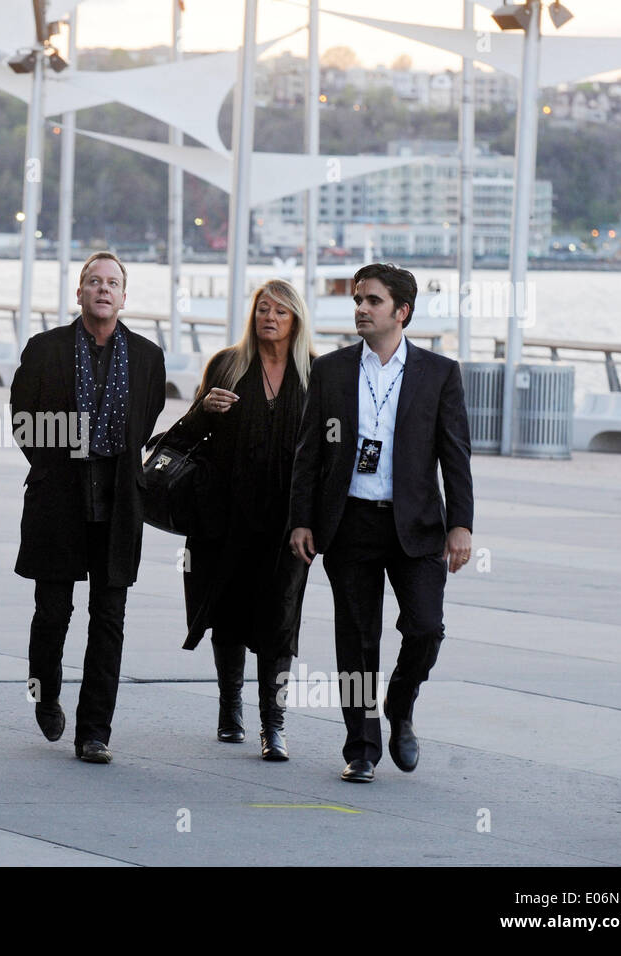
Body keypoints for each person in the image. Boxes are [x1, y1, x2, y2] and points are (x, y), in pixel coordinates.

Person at [288, 262, 474, 783]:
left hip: (416, 527)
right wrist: (301, 520)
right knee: (356, 638)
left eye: (372, 300)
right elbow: (308, 454)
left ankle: (400, 703)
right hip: (349, 525)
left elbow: (455, 454)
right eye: (357, 300)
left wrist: (461, 525)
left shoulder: (439, 374)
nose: (361, 309)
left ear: (402, 311)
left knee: (425, 629)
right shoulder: (331, 370)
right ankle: (361, 747)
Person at [10, 251, 166, 764]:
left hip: (119, 502)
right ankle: (46, 692)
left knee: (110, 618)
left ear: (125, 297)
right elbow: (23, 421)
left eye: (112, 283)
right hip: (59, 498)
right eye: (93, 282)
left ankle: (94, 731)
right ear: (79, 293)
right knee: (52, 613)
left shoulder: (146, 357)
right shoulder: (45, 349)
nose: (103, 290)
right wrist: (65, 456)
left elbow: (143, 425)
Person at [168, 279, 313, 759]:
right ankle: (230, 708)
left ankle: (275, 724)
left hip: (286, 521)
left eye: (280, 312)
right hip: (224, 514)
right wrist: (205, 408)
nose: (269, 318)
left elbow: (327, 451)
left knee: (280, 616)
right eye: (262, 310)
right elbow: (187, 434)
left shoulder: (314, 374)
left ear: (296, 320)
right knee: (226, 610)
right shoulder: (228, 364)